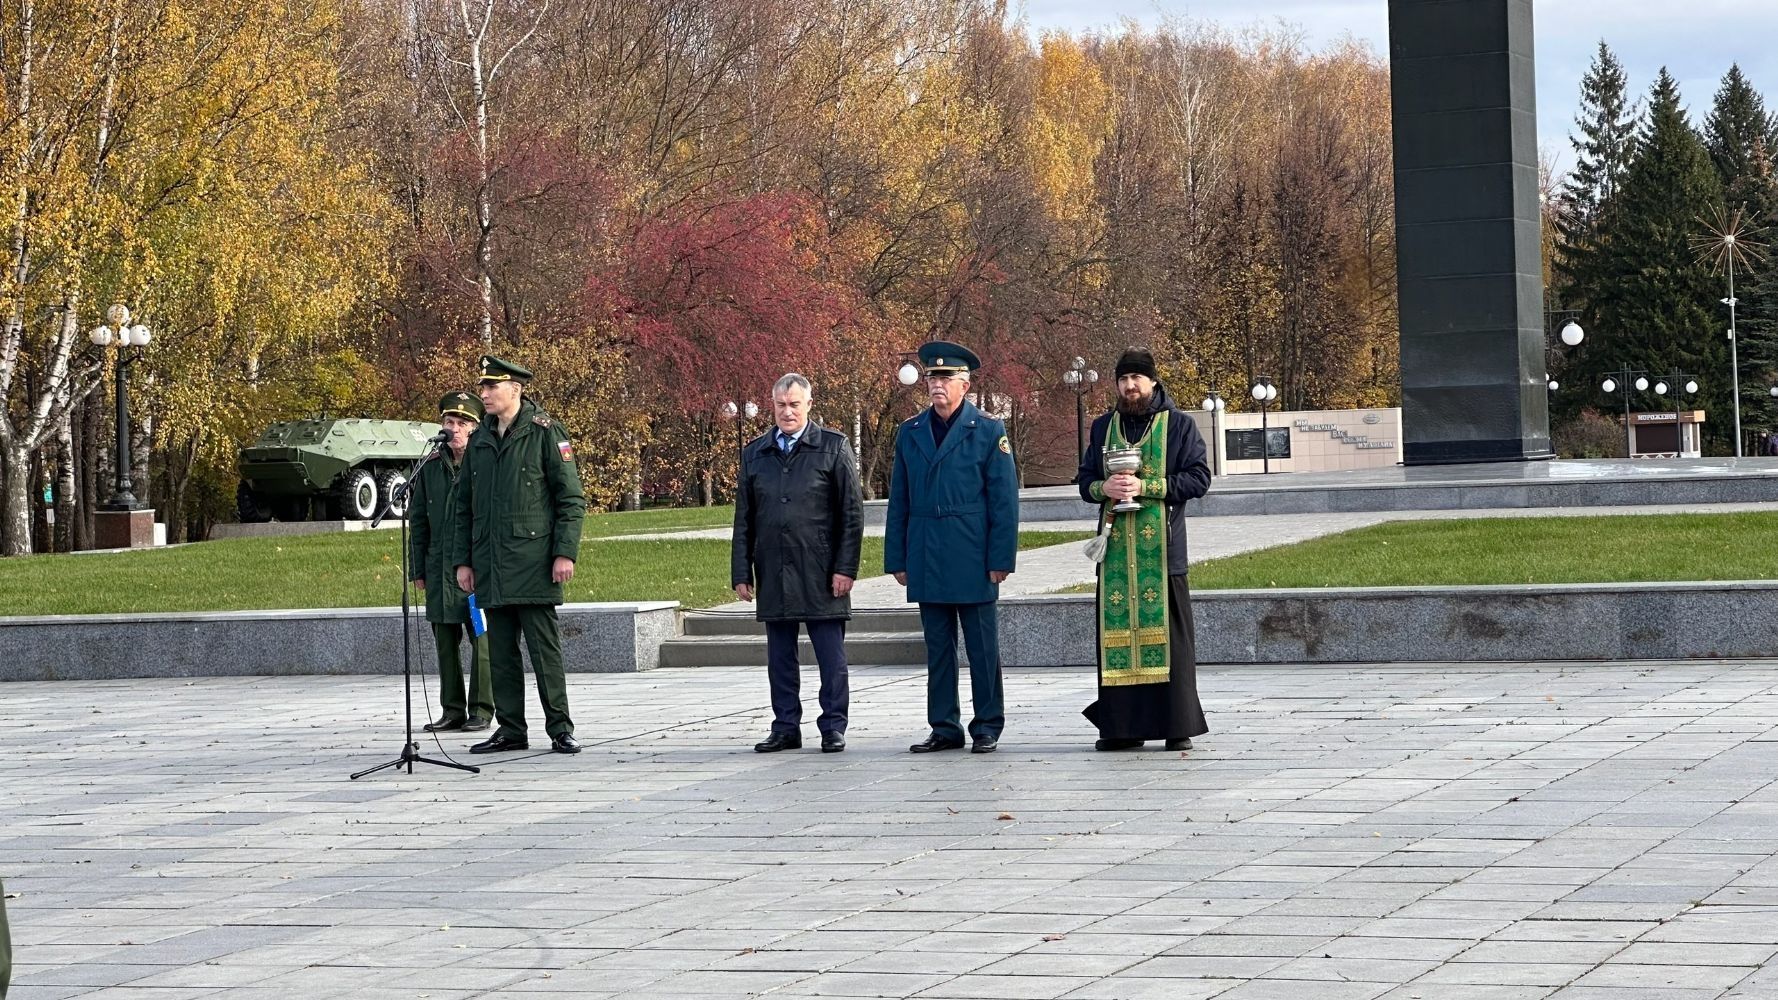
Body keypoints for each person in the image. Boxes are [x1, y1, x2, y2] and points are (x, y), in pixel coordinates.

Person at [885, 340, 1020, 754]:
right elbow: (899, 499)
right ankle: (944, 726)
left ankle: (987, 724)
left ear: (965, 384)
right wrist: (897, 557)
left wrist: (1001, 558)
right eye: (931, 377)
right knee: (938, 647)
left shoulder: (989, 431)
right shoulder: (910, 432)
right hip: (926, 552)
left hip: (971, 552)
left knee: (981, 647)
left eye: (945, 378)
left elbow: (1004, 500)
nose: (936, 385)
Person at [450, 356, 587, 755]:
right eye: (483, 387)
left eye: (492, 387)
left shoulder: (545, 432)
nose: (485, 394)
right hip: (490, 563)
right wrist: (463, 560)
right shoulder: (480, 439)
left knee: (545, 652)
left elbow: (571, 499)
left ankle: (560, 727)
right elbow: (464, 506)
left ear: (516, 388)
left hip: (533, 561)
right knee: (501, 653)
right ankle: (511, 728)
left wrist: (565, 553)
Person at [1077, 347, 1211, 752]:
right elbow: (1085, 482)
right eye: (1123, 379)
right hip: (1116, 555)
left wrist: (1147, 488)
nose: (1130, 386)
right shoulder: (1103, 427)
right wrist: (1105, 488)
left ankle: (1176, 725)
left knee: (1171, 640)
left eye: (1137, 378)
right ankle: (1122, 728)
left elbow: (1199, 479)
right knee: (1117, 640)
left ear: (1153, 382)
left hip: (1162, 554)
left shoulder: (1180, 426)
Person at [731, 373, 865, 753]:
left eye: (794, 404)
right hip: (774, 567)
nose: (787, 412)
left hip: (821, 570)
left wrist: (845, 568)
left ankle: (833, 726)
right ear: (772, 405)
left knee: (830, 656)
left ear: (809, 404)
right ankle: (786, 726)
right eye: (780, 405)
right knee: (780, 658)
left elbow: (851, 516)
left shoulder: (833, 447)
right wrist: (741, 571)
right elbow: (745, 518)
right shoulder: (755, 453)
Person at [410, 391, 494, 733]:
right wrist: (418, 569)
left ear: (475, 428)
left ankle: (482, 709)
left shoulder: (485, 463)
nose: (454, 429)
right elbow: (418, 521)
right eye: (448, 422)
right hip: (439, 570)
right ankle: (452, 710)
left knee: (482, 640)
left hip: (475, 571)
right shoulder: (430, 467)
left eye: (462, 423)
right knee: (444, 642)